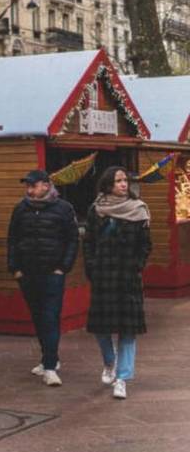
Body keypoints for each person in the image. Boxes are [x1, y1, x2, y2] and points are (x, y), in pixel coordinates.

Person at [84, 166, 151, 400]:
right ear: (108, 184)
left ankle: (122, 378)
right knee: (101, 328)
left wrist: (137, 265)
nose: (123, 184)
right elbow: (89, 242)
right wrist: (92, 267)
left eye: (125, 180)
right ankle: (109, 362)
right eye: (118, 181)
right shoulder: (97, 209)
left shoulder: (138, 209)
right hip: (103, 275)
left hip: (128, 277)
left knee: (128, 330)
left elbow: (145, 245)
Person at [7, 169, 79, 387]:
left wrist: (63, 267)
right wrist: (15, 268)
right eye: (27, 185)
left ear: (46, 185)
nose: (29, 189)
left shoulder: (63, 209)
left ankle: (49, 367)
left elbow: (72, 240)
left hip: (52, 273)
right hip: (28, 273)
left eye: (33, 185)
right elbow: (12, 239)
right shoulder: (20, 209)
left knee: (50, 316)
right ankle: (50, 358)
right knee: (38, 317)